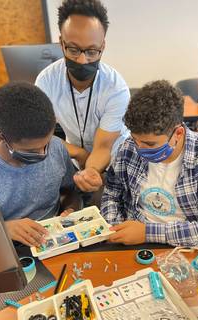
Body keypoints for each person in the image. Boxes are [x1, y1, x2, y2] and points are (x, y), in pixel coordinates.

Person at [101, 80, 198, 247]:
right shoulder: (129, 147)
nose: (139, 149)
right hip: (133, 240)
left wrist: (148, 233)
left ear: (178, 133)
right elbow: (112, 193)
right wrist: (114, 228)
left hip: (186, 245)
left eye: (150, 144)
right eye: (135, 139)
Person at [35, 0, 130, 193]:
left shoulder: (115, 87)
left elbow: (104, 146)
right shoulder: (46, 81)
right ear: (61, 43)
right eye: (73, 49)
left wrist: (91, 170)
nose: (82, 59)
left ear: (102, 47)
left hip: (115, 158)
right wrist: (78, 153)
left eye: (91, 51)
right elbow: (39, 134)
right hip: (76, 157)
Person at [0, 82, 80, 247]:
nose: (42, 154)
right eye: (30, 151)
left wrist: (71, 209)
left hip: (53, 240)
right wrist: (4, 229)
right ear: (1, 137)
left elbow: (69, 191)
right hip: (5, 246)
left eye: (46, 145)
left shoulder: (57, 147)